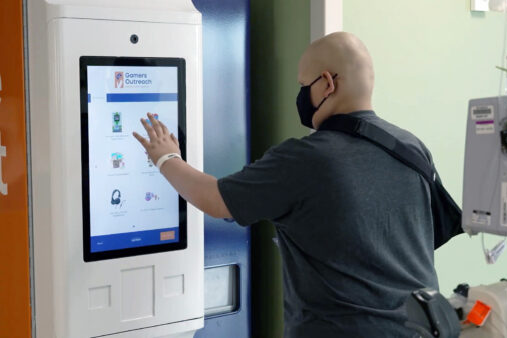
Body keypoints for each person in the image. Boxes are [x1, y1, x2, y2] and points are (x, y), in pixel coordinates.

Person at [133, 32, 438, 337]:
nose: (301, 96)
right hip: (422, 328)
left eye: (303, 86)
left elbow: (214, 199)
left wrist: (165, 157)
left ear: (327, 84)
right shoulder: (411, 147)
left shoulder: (307, 158)